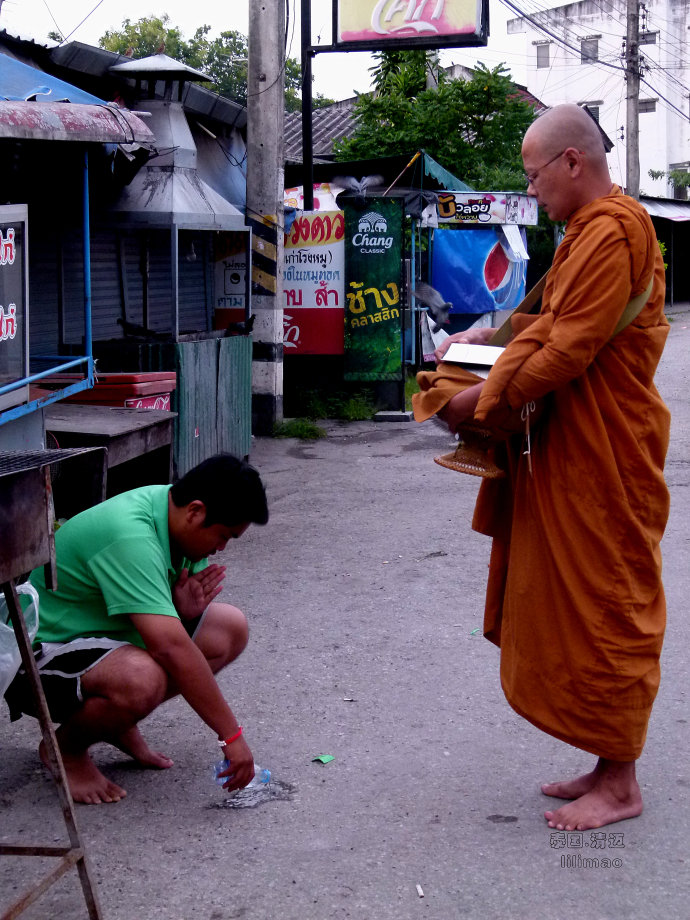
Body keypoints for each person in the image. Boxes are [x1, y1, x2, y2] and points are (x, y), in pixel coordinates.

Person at [434, 104, 671, 831]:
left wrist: (481, 399)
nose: (533, 190)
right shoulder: (589, 232)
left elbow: (572, 350)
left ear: (573, 161)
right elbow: (560, 323)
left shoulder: (611, 230)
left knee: (605, 602)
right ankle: (605, 760)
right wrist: (490, 337)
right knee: (576, 600)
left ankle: (622, 784)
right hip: (577, 445)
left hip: (607, 455)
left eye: (536, 175)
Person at [4, 454, 268, 805]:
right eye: (223, 536)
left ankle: (114, 721)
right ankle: (64, 750)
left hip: (94, 641)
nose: (221, 549)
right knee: (142, 679)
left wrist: (179, 612)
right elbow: (170, 648)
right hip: (30, 656)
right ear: (195, 511)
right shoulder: (130, 534)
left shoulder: (176, 517)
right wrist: (230, 736)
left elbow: (164, 632)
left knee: (228, 628)